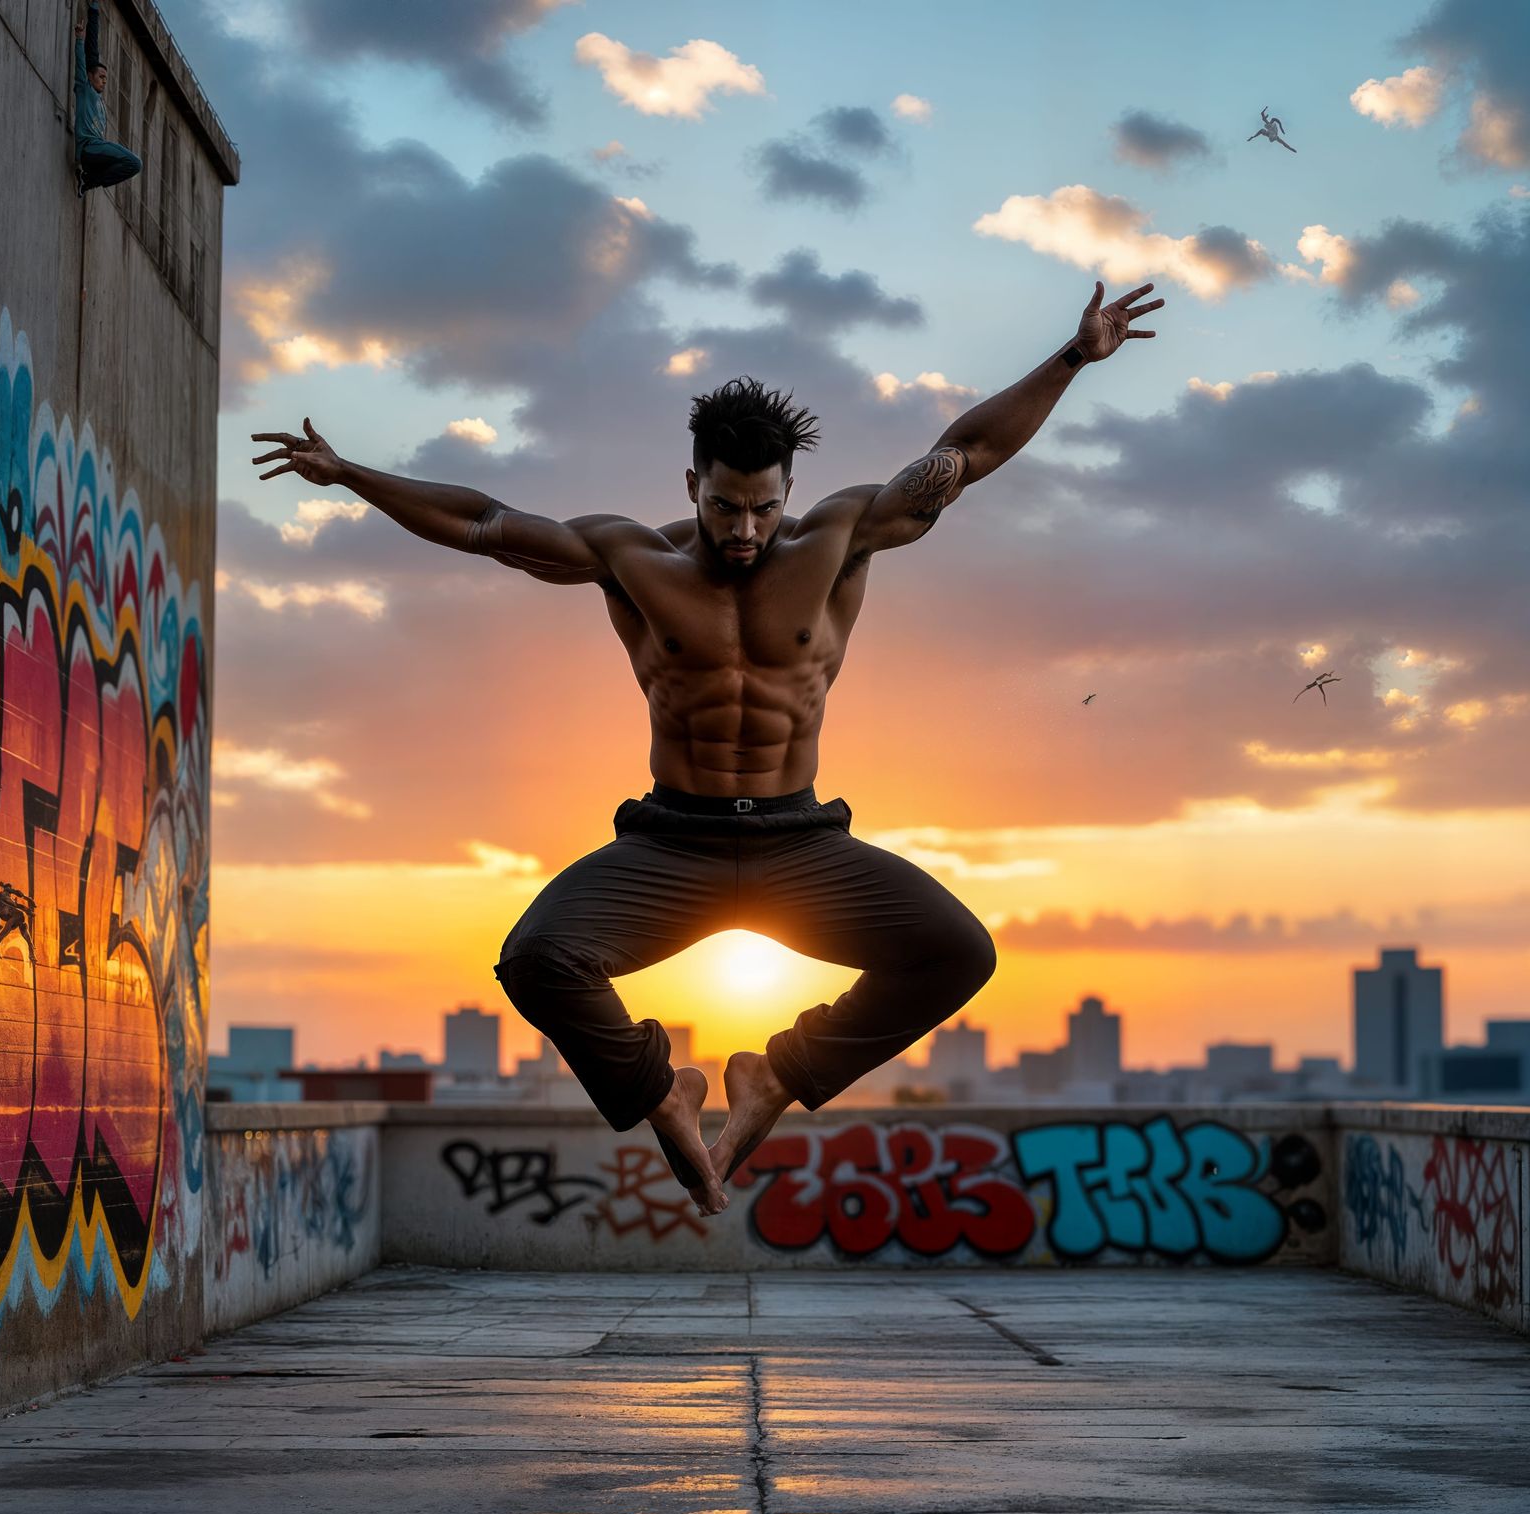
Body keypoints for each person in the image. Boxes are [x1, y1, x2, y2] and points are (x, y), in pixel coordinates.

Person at [251, 278, 1164, 1216]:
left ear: (789, 494)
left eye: (763, 509)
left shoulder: (839, 540)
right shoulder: (630, 557)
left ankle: (776, 1076)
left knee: (956, 953)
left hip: (800, 840)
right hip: (670, 842)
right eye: (726, 507)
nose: (744, 530)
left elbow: (962, 457)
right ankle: (662, 1090)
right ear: (693, 485)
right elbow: (485, 523)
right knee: (536, 961)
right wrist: (352, 474)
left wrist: (1072, 357)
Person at [74, 2, 142, 196]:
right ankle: (89, 179)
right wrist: (80, 39)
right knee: (135, 163)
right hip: (88, 148)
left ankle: (87, 182)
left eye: (106, 78)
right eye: (101, 77)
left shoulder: (100, 104)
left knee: (131, 166)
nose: (104, 81)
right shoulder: (84, 89)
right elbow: (87, 57)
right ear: (90, 77)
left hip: (94, 156)